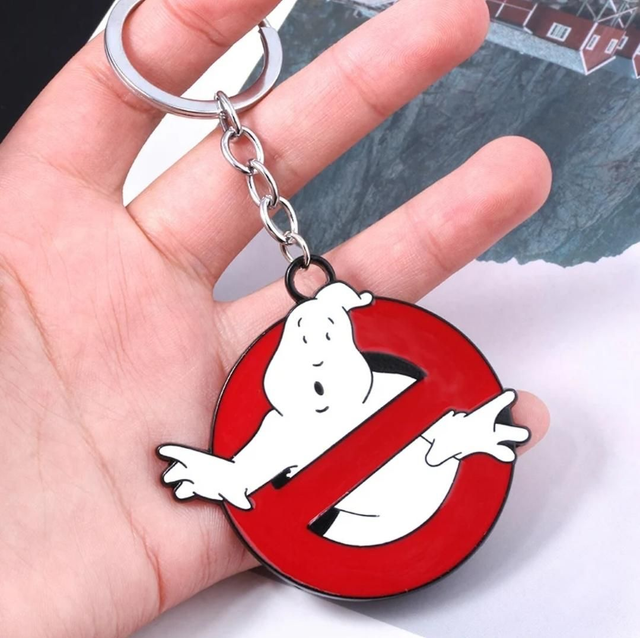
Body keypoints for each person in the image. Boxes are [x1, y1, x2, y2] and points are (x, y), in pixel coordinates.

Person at [0, 0, 551, 635]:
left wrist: (454, 441)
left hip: (399, 505)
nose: (314, 351)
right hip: (364, 511)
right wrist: (225, 475)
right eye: (316, 380)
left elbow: (266, 471)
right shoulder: (285, 426)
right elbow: (247, 476)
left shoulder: (366, 393)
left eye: (313, 370)